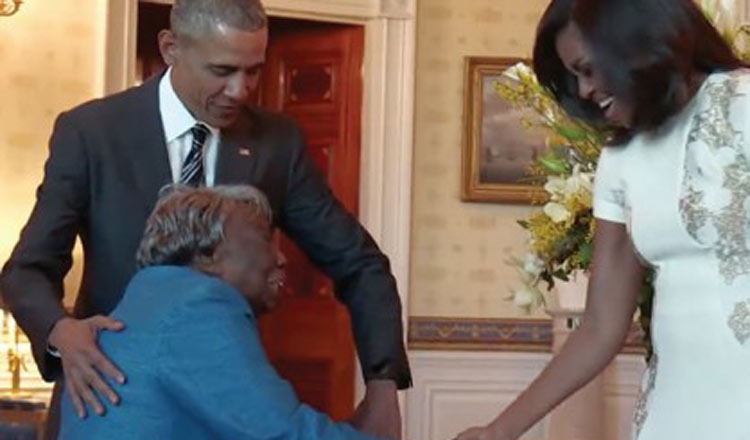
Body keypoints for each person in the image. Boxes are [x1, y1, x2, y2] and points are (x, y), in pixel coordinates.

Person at [0, 0, 409, 438]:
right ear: (171, 48)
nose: (240, 89)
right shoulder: (92, 131)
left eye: (252, 71)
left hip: (227, 402)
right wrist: (60, 331)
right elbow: (25, 271)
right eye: (222, 70)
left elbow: (359, 262)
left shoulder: (276, 143)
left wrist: (384, 388)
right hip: (108, 398)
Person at [455, 0, 750, 439]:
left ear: (634, 40)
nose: (585, 90)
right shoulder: (621, 157)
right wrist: (499, 430)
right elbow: (599, 327)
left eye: (587, 69)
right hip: (674, 413)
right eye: (573, 77)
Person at [58, 184, 381, 440]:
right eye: (265, 238)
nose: (281, 258)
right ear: (207, 253)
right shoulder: (196, 304)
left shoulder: (149, 304)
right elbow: (280, 432)